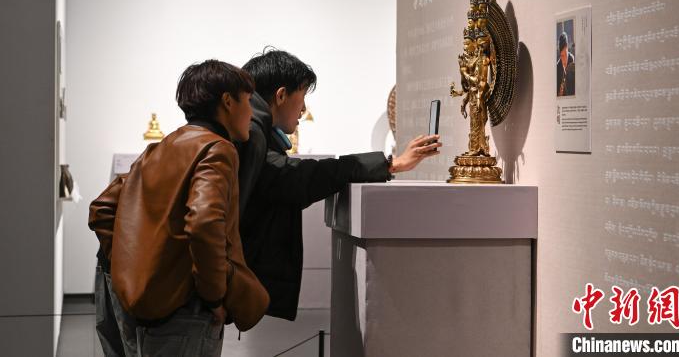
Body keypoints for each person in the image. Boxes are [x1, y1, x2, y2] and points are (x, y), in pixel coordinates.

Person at [236, 48, 441, 321]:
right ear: (281, 95)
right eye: (302, 97)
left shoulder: (252, 129)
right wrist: (390, 164)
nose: (303, 110)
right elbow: (296, 178)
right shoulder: (252, 133)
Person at [88, 60, 269, 357]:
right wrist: (214, 297)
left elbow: (102, 209)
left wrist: (130, 267)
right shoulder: (217, 149)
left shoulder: (161, 147)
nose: (251, 113)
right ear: (227, 102)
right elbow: (203, 222)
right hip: (187, 311)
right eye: (248, 101)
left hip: (145, 311)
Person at [557, 31, 575, 97]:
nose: (564, 60)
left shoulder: (572, 59)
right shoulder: (557, 67)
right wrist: (559, 94)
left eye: (565, 54)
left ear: (567, 48)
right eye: (562, 56)